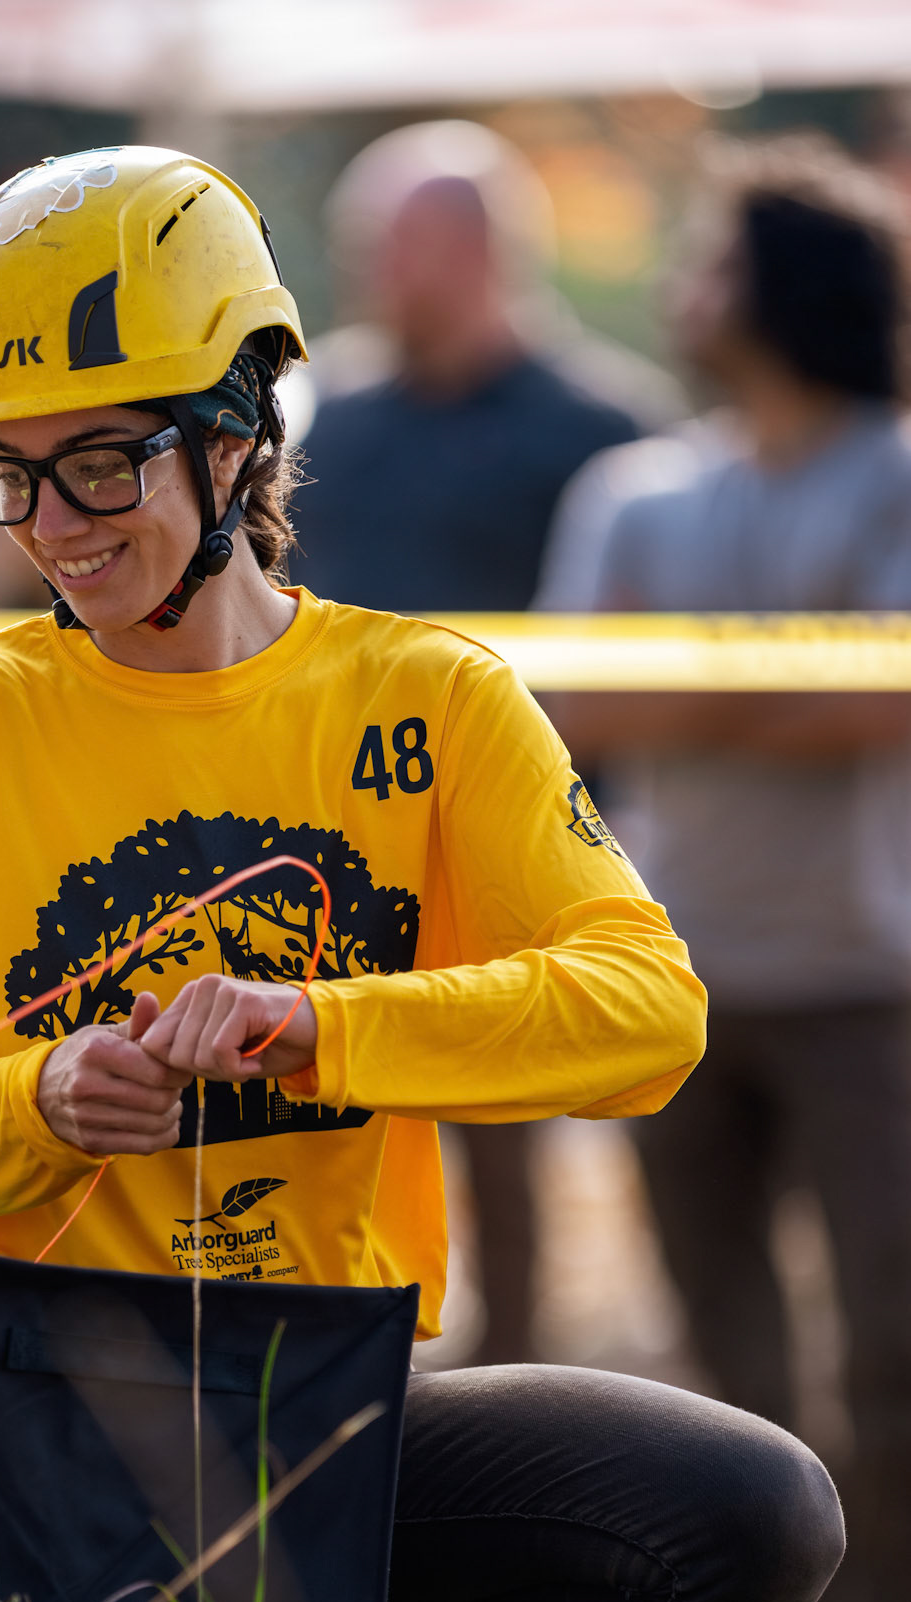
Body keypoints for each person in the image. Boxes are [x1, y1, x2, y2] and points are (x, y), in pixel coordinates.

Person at [0, 145, 842, 1602]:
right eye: (5, 471)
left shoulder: (428, 698)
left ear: (238, 435)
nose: (54, 525)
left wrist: (323, 1024)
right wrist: (40, 1099)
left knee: (752, 1511)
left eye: (101, 462)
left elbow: (646, 1013)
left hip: (326, 1409)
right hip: (38, 1442)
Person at [537, 134, 911, 1602]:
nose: (684, 287)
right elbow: (571, 704)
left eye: (713, 257)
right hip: (674, 992)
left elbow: (881, 698)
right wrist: (783, 685)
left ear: (787, 285)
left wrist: (682, 692)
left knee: (894, 1361)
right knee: (732, 1377)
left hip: (869, 983)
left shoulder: (894, 472)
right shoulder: (634, 489)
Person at [291, 122, 680, 1369]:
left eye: (389, 244)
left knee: (507, 1139)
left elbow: (647, 654)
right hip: (337, 841)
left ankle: (516, 1387)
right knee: (330, 1123)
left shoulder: (606, 427)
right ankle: (354, 1390)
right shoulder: (330, 422)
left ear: (478, 251)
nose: (368, 270)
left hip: (519, 845)